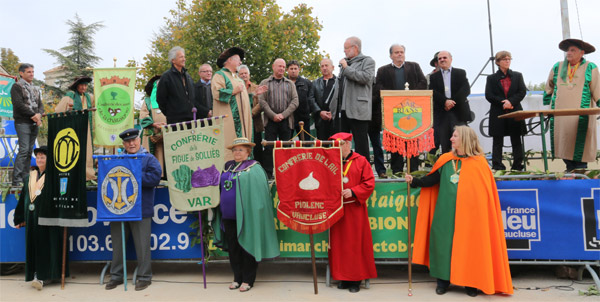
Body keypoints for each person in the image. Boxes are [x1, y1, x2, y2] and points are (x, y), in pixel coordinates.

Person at [405, 126, 513, 297]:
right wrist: (414, 181)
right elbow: (431, 180)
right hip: (445, 213)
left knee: (470, 246)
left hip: (471, 216)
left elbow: (485, 194)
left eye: (455, 136)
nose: (451, 139)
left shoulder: (479, 163)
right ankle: (443, 281)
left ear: (464, 139)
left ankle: (470, 282)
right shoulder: (446, 159)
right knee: (443, 245)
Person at [211, 137, 279, 292]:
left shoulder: (254, 168)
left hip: (248, 216)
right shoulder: (227, 167)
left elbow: (260, 195)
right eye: (235, 150)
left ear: (248, 152)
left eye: (241, 150)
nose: (237, 152)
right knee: (234, 248)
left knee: (247, 247)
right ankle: (237, 278)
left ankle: (248, 280)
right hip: (228, 216)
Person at [105, 129, 162, 291]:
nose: (131, 144)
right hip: (119, 209)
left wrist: (133, 175)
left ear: (139, 141)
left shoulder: (149, 158)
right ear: (123, 144)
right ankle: (116, 276)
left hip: (141, 209)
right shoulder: (117, 159)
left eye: (134, 140)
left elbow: (155, 178)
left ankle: (144, 277)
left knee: (142, 246)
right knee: (117, 245)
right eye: (128, 142)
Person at [328, 132, 377, 293]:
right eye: (334, 145)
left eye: (339, 145)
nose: (336, 148)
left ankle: (355, 280)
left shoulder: (361, 161)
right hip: (336, 210)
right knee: (339, 245)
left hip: (354, 209)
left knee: (355, 244)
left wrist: (354, 191)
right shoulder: (330, 162)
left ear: (347, 144)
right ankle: (342, 277)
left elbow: (369, 182)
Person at [14, 146, 66, 290]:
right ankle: (36, 273)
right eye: (38, 157)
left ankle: (44, 275)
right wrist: (19, 218)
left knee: (46, 246)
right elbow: (24, 197)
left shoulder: (55, 176)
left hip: (48, 218)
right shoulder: (30, 176)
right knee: (34, 246)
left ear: (49, 159)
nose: (39, 159)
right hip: (31, 218)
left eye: (43, 157)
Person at [543, 38, 600, 172]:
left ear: (582, 53)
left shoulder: (590, 67)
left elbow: (597, 88)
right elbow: (549, 85)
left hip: (581, 115)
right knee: (563, 141)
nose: (568, 53)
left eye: (572, 50)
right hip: (560, 115)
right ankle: (570, 169)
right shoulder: (558, 66)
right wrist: (547, 101)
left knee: (580, 143)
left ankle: (580, 171)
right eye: (568, 50)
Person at [373, 44, 427, 176]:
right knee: (396, 143)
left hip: (412, 111)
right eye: (396, 52)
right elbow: (378, 87)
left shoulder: (414, 66)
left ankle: (413, 171)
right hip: (393, 112)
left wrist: (410, 95)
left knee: (412, 141)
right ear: (391, 55)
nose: (399, 55)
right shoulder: (382, 70)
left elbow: (423, 82)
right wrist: (395, 97)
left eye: (401, 52)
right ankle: (397, 171)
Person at [212, 47, 262, 162]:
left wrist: (253, 94)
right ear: (230, 60)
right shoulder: (220, 75)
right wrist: (233, 91)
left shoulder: (237, 77)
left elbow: (241, 100)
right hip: (229, 122)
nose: (240, 63)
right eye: (238, 60)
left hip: (244, 122)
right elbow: (217, 93)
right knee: (230, 148)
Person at [485, 51, 527, 171]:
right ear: (498, 62)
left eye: (509, 59)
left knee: (516, 139)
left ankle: (517, 166)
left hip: (515, 110)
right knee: (497, 140)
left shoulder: (518, 75)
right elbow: (489, 95)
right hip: (498, 111)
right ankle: (498, 166)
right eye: (504, 59)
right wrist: (503, 102)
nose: (507, 61)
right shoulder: (491, 78)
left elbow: (522, 92)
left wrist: (511, 102)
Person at [258, 58, 299, 178]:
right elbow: (262, 101)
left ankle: (286, 174)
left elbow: (295, 101)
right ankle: (268, 174)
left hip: (286, 121)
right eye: (279, 66)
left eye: (283, 66)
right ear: (273, 67)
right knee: (269, 148)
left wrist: (283, 115)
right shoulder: (265, 83)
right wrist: (273, 115)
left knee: (286, 148)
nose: (281, 68)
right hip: (270, 121)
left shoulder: (290, 84)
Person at [338, 37, 376, 159]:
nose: (344, 51)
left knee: (361, 142)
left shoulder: (367, 61)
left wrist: (346, 68)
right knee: (342, 142)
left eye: (346, 48)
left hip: (359, 108)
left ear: (355, 48)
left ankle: (363, 170)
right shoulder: (346, 63)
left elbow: (366, 78)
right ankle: (345, 169)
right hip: (343, 109)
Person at [428, 51, 471, 153]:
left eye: (444, 58)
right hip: (442, 113)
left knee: (461, 140)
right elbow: (433, 92)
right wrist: (445, 102)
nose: (442, 60)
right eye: (440, 59)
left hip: (458, 112)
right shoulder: (433, 77)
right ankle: (447, 166)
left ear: (451, 59)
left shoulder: (460, 73)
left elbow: (466, 90)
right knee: (445, 142)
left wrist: (452, 102)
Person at [55, 76, 96, 180]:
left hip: (86, 126)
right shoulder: (70, 96)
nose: (84, 87)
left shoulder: (89, 97)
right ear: (76, 85)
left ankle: (88, 176)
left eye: (85, 85)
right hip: (73, 126)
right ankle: (73, 175)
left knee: (87, 150)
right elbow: (58, 111)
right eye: (81, 85)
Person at [11, 63, 43, 186]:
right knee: (24, 150)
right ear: (21, 73)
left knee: (30, 151)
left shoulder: (35, 88)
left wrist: (39, 115)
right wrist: (33, 115)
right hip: (22, 122)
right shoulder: (16, 86)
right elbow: (18, 104)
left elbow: (40, 105)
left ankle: (25, 178)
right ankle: (17, 180)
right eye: (29, 72)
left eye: (33, 72)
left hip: (34, 123)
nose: (31, 74)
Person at [156, 46, 199, 125]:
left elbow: (193, 96)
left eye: (184, 57)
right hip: (175, 121)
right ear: (173, 60)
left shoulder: (188, 76)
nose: (184, 59)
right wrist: (171, 113)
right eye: (181, 57)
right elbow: (160, 99)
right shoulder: (166, 77)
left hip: (191, 119)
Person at [238, 64, 267, 163]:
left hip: (255, 122)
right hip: (241, 123)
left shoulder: (256, 87)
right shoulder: (236, 89)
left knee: (257, 146)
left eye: (245, 73)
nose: (243, 75)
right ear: (238, 75)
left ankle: (257, 168)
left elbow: (261, 103)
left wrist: (250, 113)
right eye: (241, 74)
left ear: (249, 75)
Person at [139, 75, 167, 177]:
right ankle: (153, 177)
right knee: (152, 154)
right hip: (151, 133)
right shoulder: (147, 101)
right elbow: (143, 115)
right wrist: (154, 124)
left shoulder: (169, 100)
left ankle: (165, 177)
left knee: (165, 154)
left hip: (166, 133)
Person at [286, 60, 316, 139]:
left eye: (295, 69)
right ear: (287, 70)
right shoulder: (283, 82)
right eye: (291, 69)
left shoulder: (307, 83)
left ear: (299, 70)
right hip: (287, 117)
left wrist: (308, 110)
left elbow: (311, 98)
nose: (293, 71)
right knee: (286, 143)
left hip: (303, 118)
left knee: (305, 143)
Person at [312, 58, 339, 140]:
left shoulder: (339, 82)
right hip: (320, 120)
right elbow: (311, 99)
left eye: (326, 65)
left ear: (333, 67)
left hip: (336, 119)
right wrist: (320, 112)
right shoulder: (315, 83)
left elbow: (342, 99)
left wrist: (333, 113)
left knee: (337, 147)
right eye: (322, 66)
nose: (324, 68)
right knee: (322, 148)